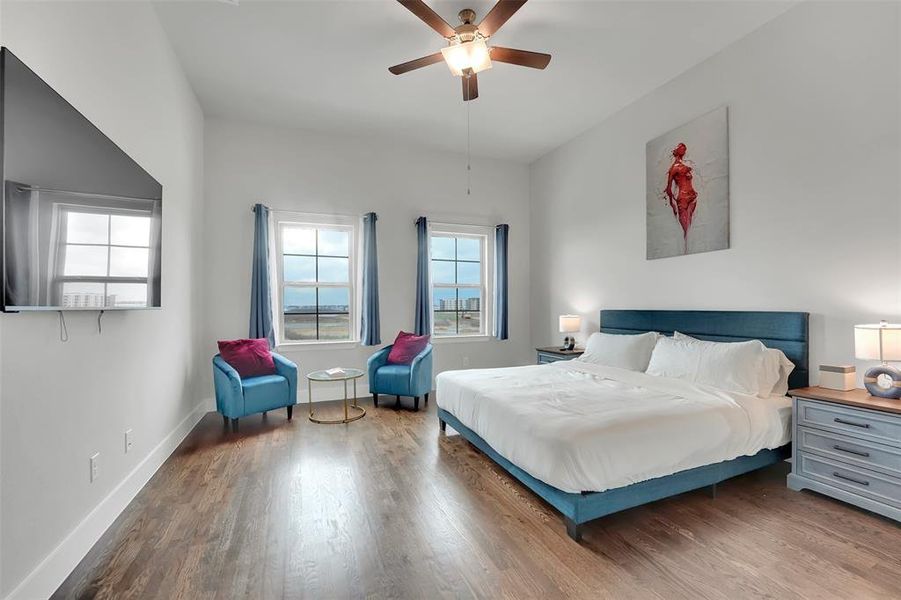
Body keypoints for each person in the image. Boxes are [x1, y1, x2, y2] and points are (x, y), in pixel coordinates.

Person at [663, 142, 698, 250]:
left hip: (692, 196)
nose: (684, 150)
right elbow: (668, 189)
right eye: (682, 148)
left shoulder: (687, 165)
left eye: (684, 148)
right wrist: (672, 204)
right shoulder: (673, 168)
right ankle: (686, 252)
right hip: (682, 199)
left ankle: (689, 251)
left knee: (690, 227)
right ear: (677, 151)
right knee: (686, 230)